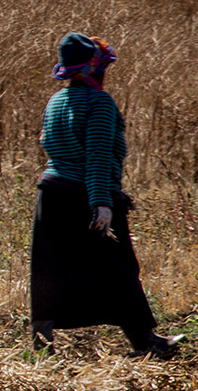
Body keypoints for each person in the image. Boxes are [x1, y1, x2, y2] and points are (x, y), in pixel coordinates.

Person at [29, 33, 178, 359]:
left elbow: (48, 145)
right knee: (120, 267)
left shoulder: (55, 101)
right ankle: (146, 343)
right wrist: (101, 204)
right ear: (96, 69)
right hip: (84, 195)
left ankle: (40, 349)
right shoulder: (100, 102)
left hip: (51, 194)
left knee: (48, 270)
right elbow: (97, 157)